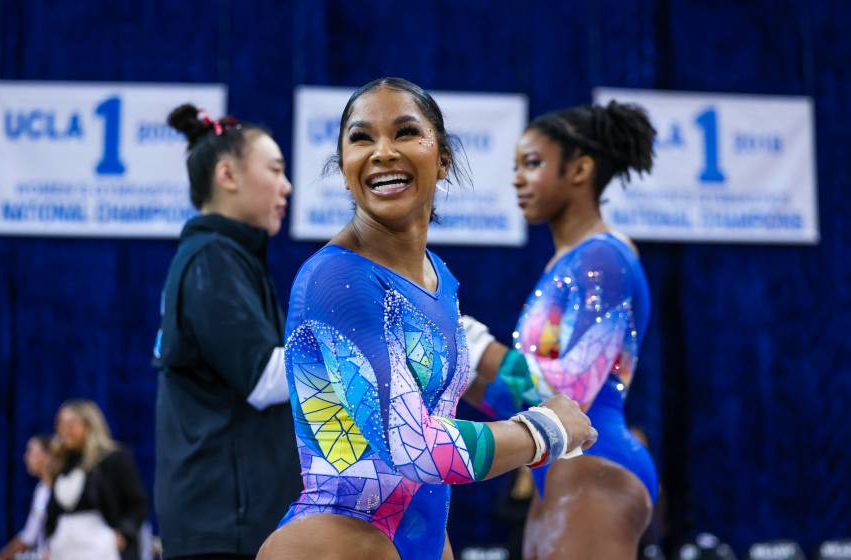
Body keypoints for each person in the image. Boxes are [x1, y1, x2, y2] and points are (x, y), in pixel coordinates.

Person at [259, 77, 598, 560]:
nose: (382, 152)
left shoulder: (439, 277)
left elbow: (442, 420)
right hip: (334, 542)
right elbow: (412, 446)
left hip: (417, 540)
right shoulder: (337, 278)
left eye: (405, 132)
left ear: (443, 160)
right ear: (344, 168)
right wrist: (545, 430)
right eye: (361, 138)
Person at [461, 101, 658, 559]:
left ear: (580, 169)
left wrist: (472, 343)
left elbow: (571, 393)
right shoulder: (565, 262)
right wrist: (460, 369)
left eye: (532, 164)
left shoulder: (603, 257)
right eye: (515, 167)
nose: (517, 179)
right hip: (563, 464)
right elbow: (530, 400)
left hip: (599, 464)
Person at [153, 104, 300, 559]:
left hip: (229, 521)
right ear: (227, 175)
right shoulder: (212, 259)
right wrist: (363, 348)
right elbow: (264, 378)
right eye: (275, 169)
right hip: (221, 527)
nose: (287, 186)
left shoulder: (228, 257)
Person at [45, 400, 147, 560]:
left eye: (71, 425)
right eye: (60, 424)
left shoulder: (113, 459)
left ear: (89, 426)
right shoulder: (60, 464)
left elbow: (137, 504)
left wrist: (122, 535)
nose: (63, 430)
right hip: (64, 550)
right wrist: (51, 542)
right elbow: (52, 513)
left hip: (103, 549)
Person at [0, 434, 53, 560]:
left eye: (30, 452)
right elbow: (29, 535)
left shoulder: (59, 488)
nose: (25, 457)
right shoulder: (41, 489)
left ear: (47, 456)